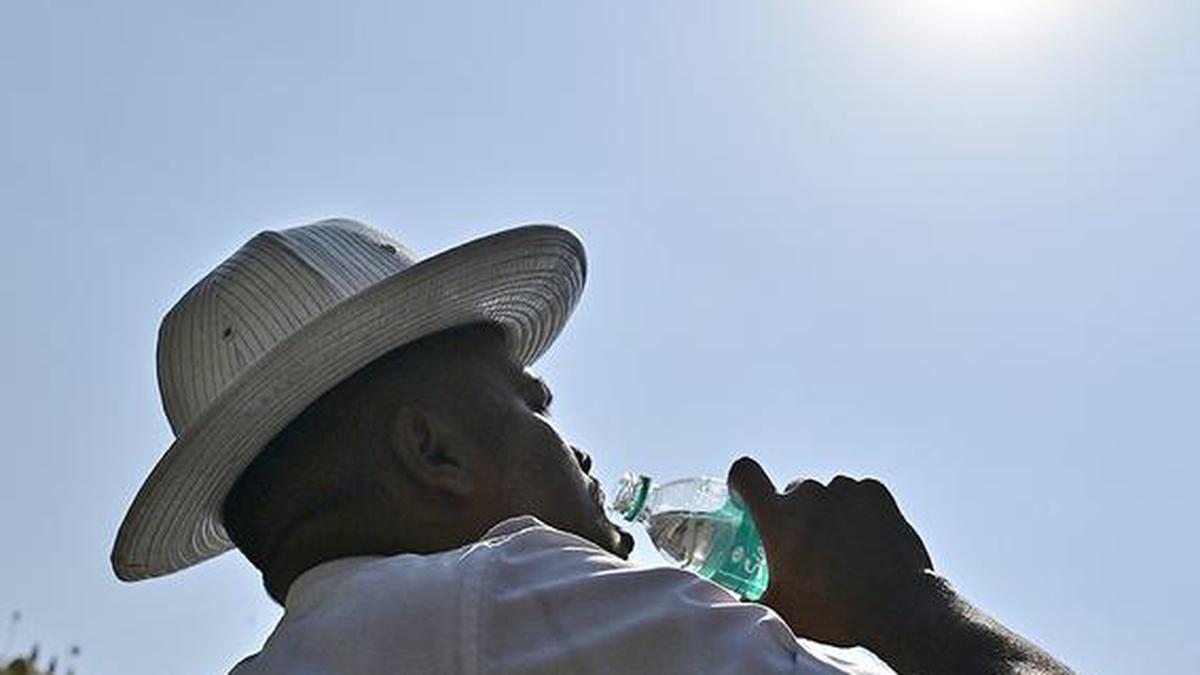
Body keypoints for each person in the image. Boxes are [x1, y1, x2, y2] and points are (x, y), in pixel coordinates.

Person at [113, 219, 1075, 674]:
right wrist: (904, 602)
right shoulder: (517, 597)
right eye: (534, 405)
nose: (576, 452)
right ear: (433, 453)